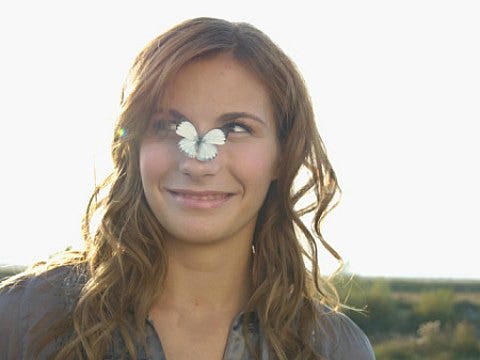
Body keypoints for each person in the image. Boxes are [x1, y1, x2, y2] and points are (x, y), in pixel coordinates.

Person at [0, 17, 375, 359]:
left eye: (236, 128)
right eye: (167, 125)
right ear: (133, 146)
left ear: (283, 154)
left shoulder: (333, 348)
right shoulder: (22, 321)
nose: (196, 164)